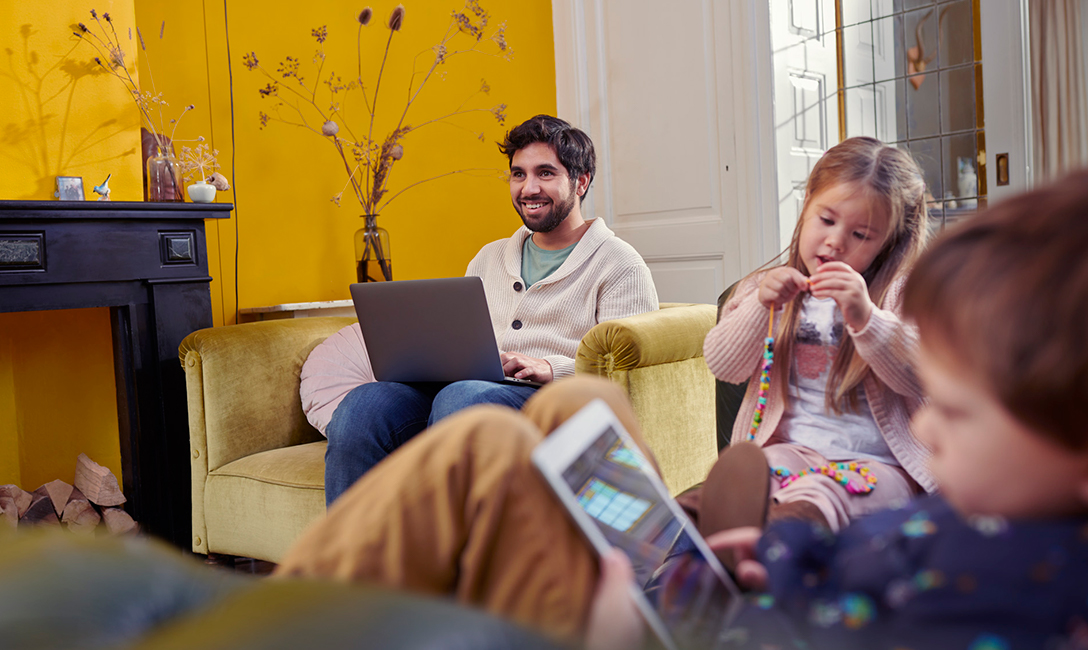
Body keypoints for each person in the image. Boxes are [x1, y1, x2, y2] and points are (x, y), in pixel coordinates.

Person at [274, 171, 1088, 649]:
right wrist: (743, 563)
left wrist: (634, 617)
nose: (932, 420)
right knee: (579, 411)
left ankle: (310, 624)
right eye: (825, 220)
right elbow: (725, 365)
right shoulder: (980, 534)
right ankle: (666, 543)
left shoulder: (1028, 584)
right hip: (701, 600)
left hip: (682, 631)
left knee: (485, 436)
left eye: (962, 408)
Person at [323, 114, 658, 504]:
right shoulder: (489, 257)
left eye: (545, 173)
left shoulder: (620, 264)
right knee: (363, 405)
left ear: (580, 182)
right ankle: (354, 561)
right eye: (518, 174)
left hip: (548, 404)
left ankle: (455, 559)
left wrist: (551, 368)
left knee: (463, 400)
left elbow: (628, 376)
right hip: (467, 391)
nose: (528, 188)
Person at [692, 137, 932, 535]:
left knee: (821, 493)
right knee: (749, 479)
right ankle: (692, 535)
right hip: (793, 451)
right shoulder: (762, 288)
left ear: (887, 243)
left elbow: (923, 376)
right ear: (806, 207)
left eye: (861, 235)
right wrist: (760, 308)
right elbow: (723, 365)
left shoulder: (902, 295)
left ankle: (775, 546)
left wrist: (866, 317)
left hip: (884, 467)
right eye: (827, 220)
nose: (837, 240)